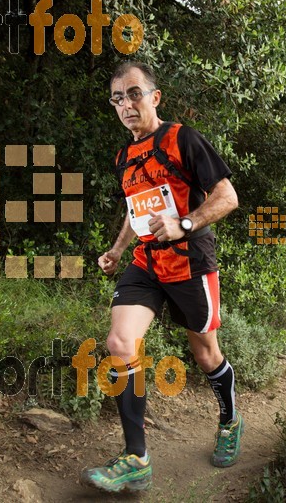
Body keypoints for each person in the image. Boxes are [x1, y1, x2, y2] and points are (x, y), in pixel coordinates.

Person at [82, 61, 242, 493]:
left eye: (134, 93)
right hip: (146, 263)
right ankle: (136, 458)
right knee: (120, 342)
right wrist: (118, 249)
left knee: (206, 355)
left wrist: (184, 225)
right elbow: (136, 208)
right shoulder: (123, 156)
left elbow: (227, 196)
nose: (126, 104)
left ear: (154, 97)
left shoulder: (182, 139)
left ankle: (229, 419)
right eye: (118, 98)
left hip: (190, 262)